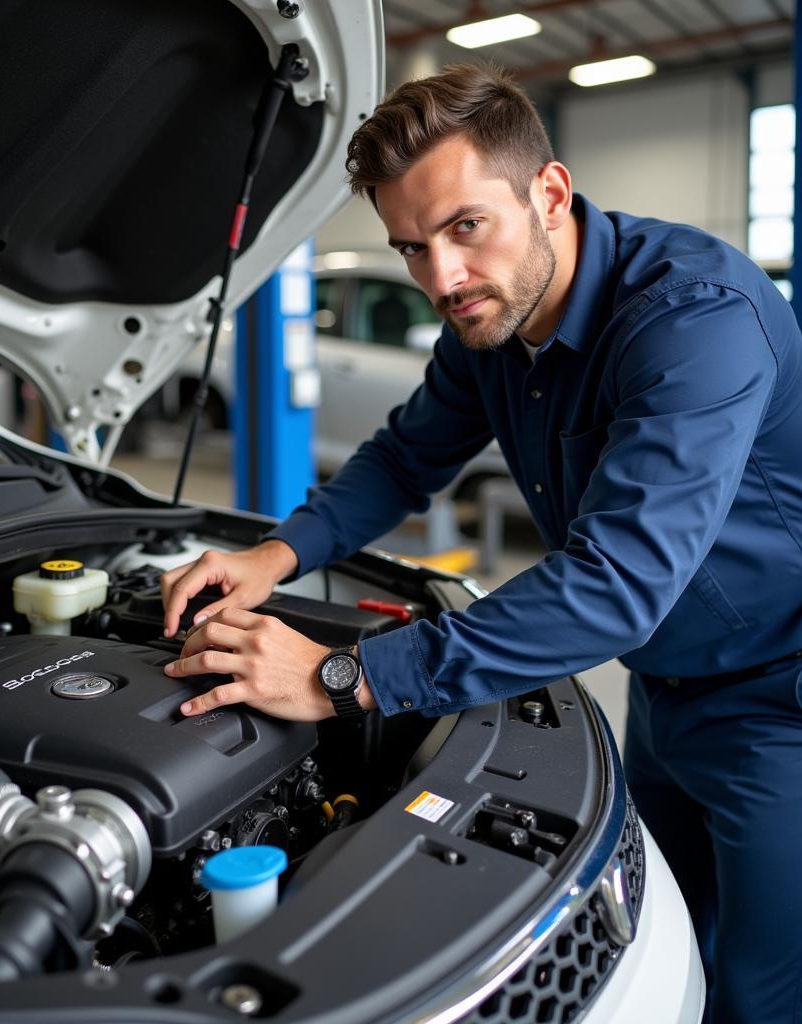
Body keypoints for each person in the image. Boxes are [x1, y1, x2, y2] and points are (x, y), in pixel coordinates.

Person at [159, 63, 802, 1024]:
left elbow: (612, 588)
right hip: (667, 690)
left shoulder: (694, 322)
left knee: (761, 991)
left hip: (779, 700)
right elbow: (403, 459)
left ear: (548, 192)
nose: (442, 279)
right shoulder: (486, 329)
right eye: (412, 248)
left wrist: (347, 676)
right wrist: (278, 554)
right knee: (657, 936)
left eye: (466, 228)